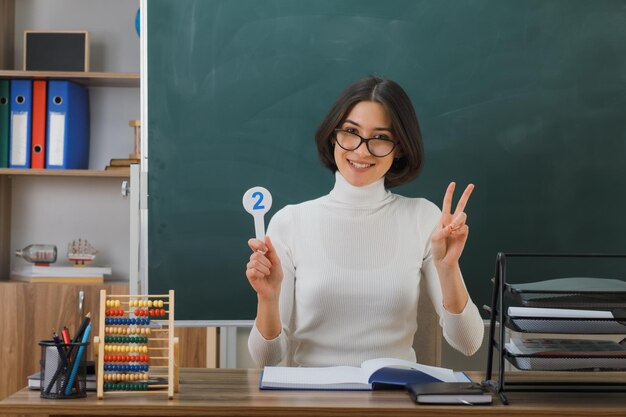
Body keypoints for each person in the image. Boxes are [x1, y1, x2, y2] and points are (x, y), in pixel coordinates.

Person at [245, 75, 484, 367]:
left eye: (380, 138)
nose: (361, 150)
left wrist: (448, 269)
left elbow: (468, 343)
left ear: (400, 149)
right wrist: (267, 299)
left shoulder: (424, 217)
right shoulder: (290, 222)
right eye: (350, 131)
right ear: (333, 135)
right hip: (311, 403)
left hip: (394, 401)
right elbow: (266, 357)